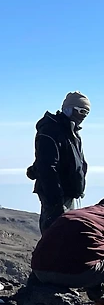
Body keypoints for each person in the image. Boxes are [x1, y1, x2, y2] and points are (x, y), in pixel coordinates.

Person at [31, 92, 89, 233]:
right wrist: (56, 202)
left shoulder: (71, 131)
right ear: (68, 109)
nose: (84, 116)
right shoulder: (50, 131)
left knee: (65, 237)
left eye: (87, 113)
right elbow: (47, 168)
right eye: (81, 111)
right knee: (55, 236)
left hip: (67, 195)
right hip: (57, 197)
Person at [30, 201, 104, 303]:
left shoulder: (81, 213)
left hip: (40, 272)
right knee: (93, 255)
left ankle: (98, 299)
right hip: (78, 275)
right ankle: (99, 300)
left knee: (91, 252)